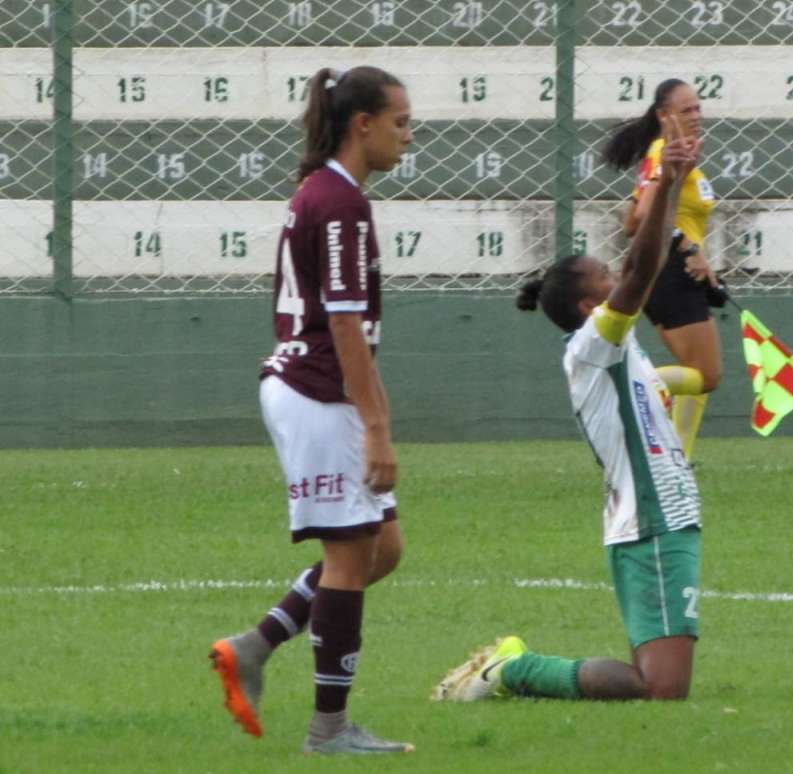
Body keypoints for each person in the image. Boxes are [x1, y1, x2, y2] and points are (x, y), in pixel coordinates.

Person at [433, 118, 704, 703]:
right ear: (589, 305)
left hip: (660, 514)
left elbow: (645, 265)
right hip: (652, 518)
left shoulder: (611, 346)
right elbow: (640, 268)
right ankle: (512, 670)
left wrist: (673, 187)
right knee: (659, 689)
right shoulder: (593, 346)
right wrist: (668, 184)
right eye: (606, 278)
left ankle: (511, 669)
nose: (620, 278)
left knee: (659, 681)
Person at [208, 65, 414, 755]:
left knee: (382, 548)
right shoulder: (341, 202)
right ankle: (329, 729)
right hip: (318, 392)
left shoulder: (325, 191)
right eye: (400, 122)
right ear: (364, 124)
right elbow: (347, 326)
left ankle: (256, 646)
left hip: (319, 386)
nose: (407, 137)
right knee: (349, 558)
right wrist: (377, 427)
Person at [604, 77, 722, 461]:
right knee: (706, 374)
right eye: (686, 109)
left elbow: (630, 221)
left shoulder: (671, 158)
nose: (696, 115)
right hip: (671, 268)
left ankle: (679, 457)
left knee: (698, 373)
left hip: (676, 269)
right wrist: (686, 246)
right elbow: (643, 216)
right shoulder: (663, 151)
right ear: (663, 115)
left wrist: (699, 254)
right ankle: (643, 388)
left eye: (698, 108)